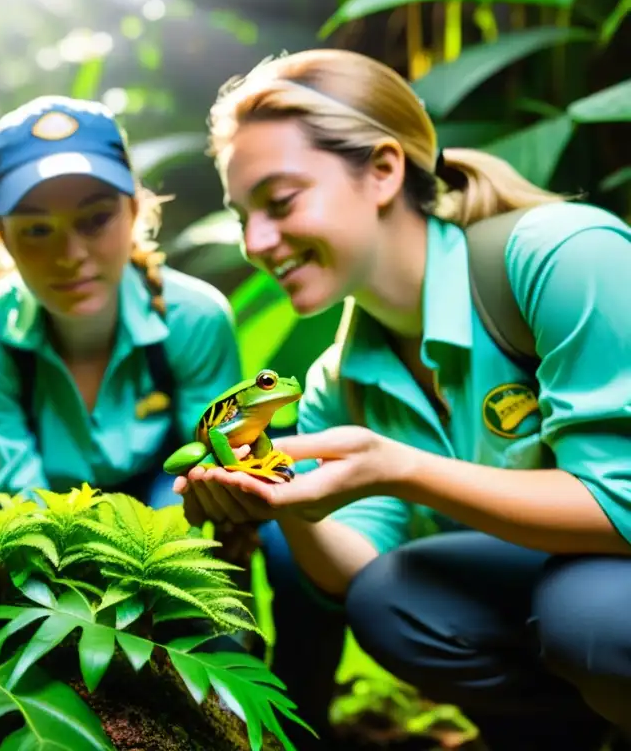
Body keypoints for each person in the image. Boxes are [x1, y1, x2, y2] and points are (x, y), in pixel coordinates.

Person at [174, 48, 631, 751]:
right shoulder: (340, 377)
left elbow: (620, 504)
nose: (257, 242)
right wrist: (281, 500)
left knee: (591, 617)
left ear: (384, 171)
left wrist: (400, 466)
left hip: (605, 588)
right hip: (555, 579)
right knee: (390, 600)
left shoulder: (561, 257)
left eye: (282, 201)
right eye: (243, 217)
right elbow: (356, 572)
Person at [0, 95, 242, 512]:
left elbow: (211, 468)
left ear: (133, 211)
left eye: (95, 219)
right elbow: (12, 502)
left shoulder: (194, 318)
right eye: (38, 230)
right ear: (3, 236)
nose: (71, 255)